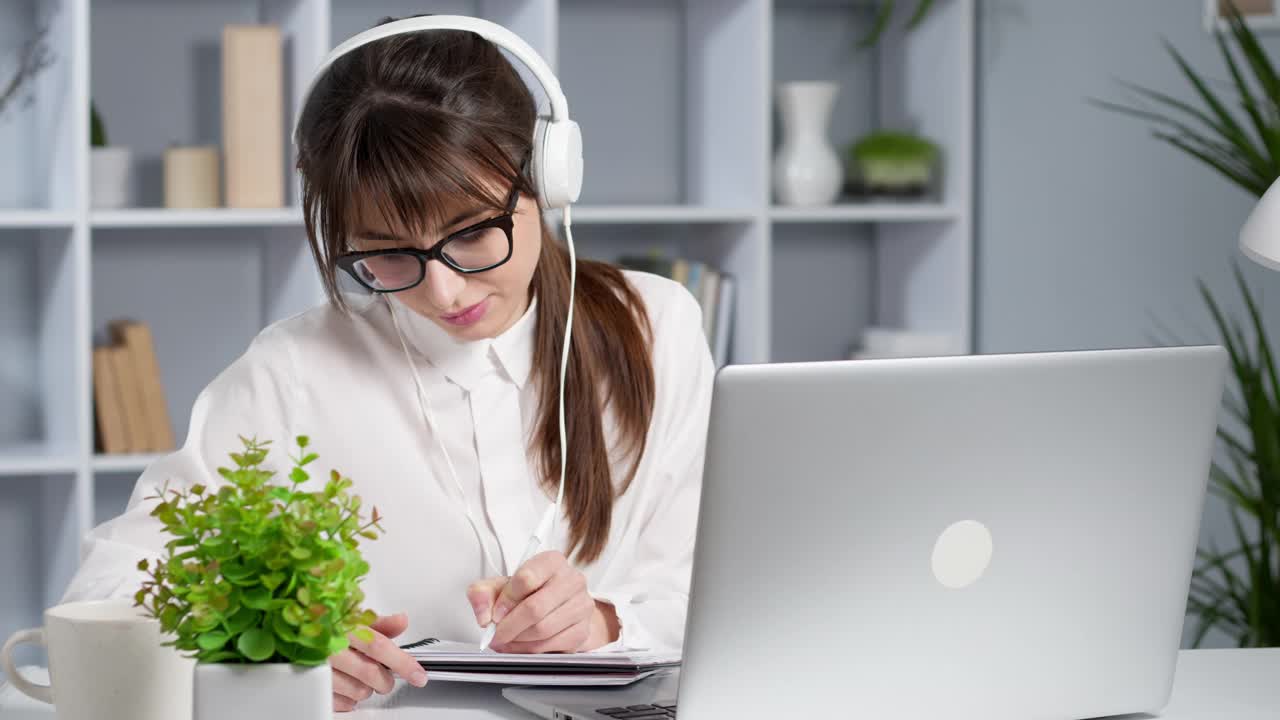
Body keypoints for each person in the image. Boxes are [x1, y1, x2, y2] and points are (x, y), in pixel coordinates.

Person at [62, 16, 714, 713]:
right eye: (387, 253)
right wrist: (275, 646)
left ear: (547, 178)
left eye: (471, 234)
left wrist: (607, 625)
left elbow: (728, 587)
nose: (444, 291)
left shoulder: (656, 327)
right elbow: (108, 591)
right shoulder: (294, 372)